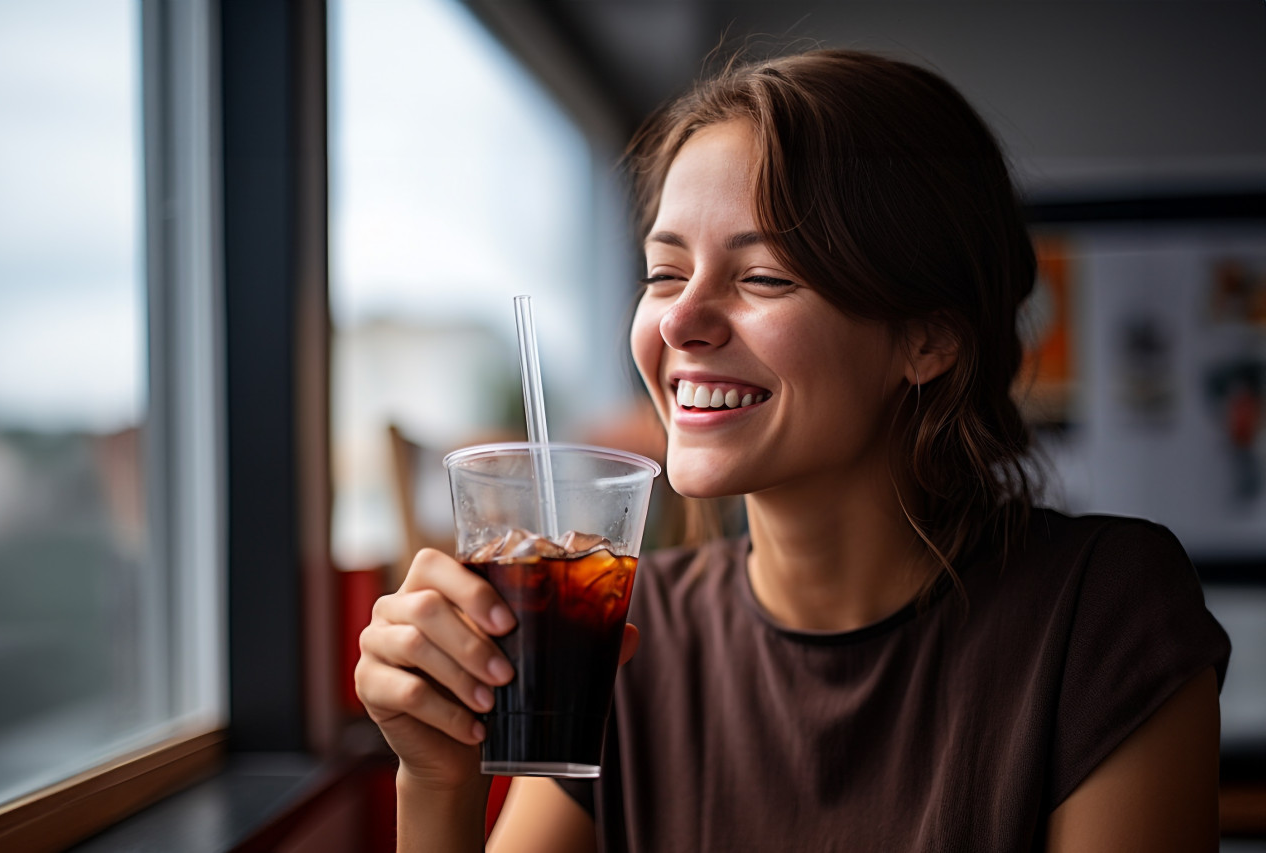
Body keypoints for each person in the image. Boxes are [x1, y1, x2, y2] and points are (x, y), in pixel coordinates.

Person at [355, 49, 1232, 852]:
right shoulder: (627, 634)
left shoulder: (1104, 611)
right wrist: (434, 780)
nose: (680, 320)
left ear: (926, 340)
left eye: (763, 275)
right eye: (664, 272)